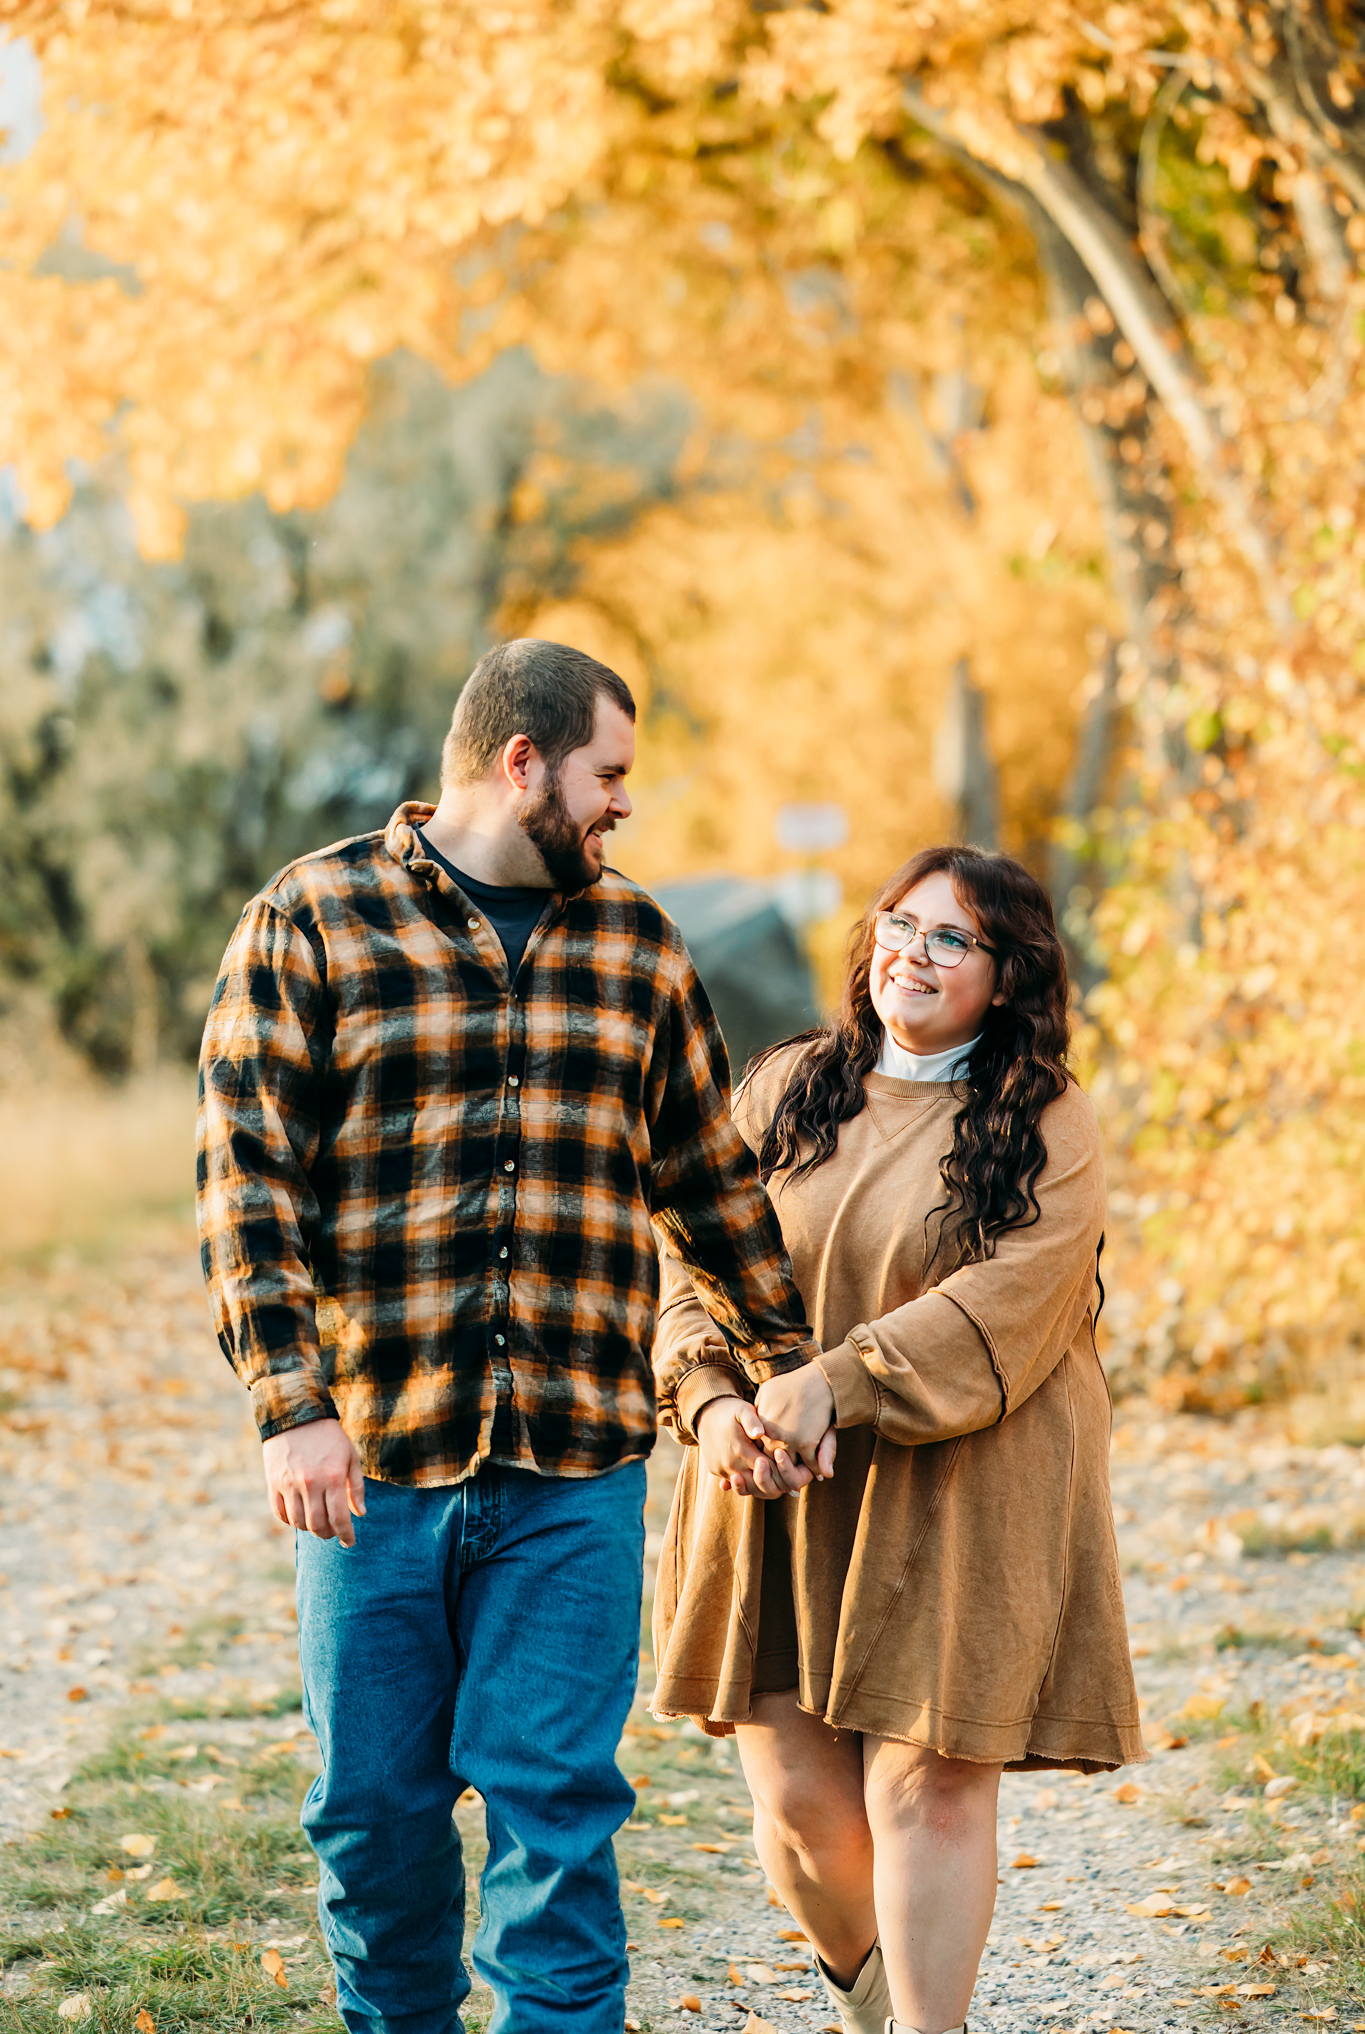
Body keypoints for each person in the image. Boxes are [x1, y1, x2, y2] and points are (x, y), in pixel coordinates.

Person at [195, 637, 834, 2034]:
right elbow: (248, 1183)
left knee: (557, 1819)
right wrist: (289, 1404)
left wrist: (790, 1366)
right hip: (375, 1466)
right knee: (372, 1821)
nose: (622, 805)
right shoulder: (311, 921)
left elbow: (706, 1188)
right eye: (609, 773)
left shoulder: (638, 946)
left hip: (575, 1478)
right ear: (521, 760)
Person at [651, 845, 1144, 2034]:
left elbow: (1015, 1292)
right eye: (898, 924)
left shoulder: (1049, 1118)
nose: (909, 953)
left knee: (926, 1779)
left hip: (966, 1475)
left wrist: (841, 1379)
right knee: (796, 1798)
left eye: (949, 938)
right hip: (774, 1476)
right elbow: (684, 1252)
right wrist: (715, 1400)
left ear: (1008, 973)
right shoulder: (784, 1087)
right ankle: (872, 2005)